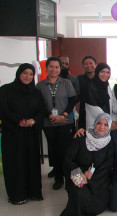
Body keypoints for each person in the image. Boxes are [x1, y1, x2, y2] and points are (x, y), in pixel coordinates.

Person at [0, 63, 44, 204]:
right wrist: (19, 120)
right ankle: (17, 195)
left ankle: (33, 192)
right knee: (15, 164)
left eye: (31, 74)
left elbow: (41, 111)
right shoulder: (6, 90)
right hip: (13, 134)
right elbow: (3, 109)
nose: (28, 76)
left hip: (30, 134)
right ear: (19, 74)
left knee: (31, 162)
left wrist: (33, 121)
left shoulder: (36, 92)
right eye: (25, 73)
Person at [61, 113, 114, 216]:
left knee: (95, 206)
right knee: (79, 194)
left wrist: (89, 179)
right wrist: (80, 174)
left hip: (98, 179)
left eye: (106, 125)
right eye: (99, 123)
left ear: (109, 127)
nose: (102, 127)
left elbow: (107, 165)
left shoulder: (109, 142)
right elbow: (69, 159)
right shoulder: (82, 137)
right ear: (94, 123)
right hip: (77, 173)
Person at [36, 56, 77, 190]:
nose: (54, 69)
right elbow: (38, 105)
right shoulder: (40, 85)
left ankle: (70, 178)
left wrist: (63, 115)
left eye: (57, 67)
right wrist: (50, 115)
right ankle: (58, 178)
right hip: (49, 123)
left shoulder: (66, 83)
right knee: (54, 151)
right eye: (51, 67)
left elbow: (72, 100)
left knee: (65, 151)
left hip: (65, 122)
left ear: (60, 69)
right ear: (47, 68)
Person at [85, 63, 115, 129]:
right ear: (97, 72)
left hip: (106, 121)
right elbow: (93, 106)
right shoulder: (91, 85)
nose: (105, 75)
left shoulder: (106, 85)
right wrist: (107, 120)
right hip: (95, 120)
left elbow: (110, 102)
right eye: (102, 72)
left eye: (107, 72)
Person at [78, 56, 97, 130]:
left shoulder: (100, 79)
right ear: (83, 66)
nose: (89, 65)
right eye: (86, 64)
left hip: (97, 109)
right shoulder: (79, 79)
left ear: (95, 64)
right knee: (83, 132)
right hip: (84, 110)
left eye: (91, 63)